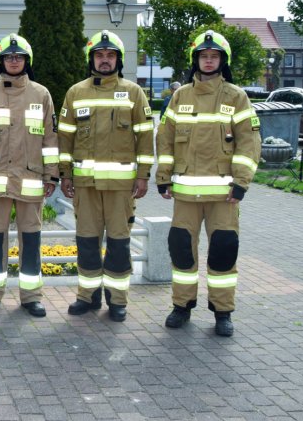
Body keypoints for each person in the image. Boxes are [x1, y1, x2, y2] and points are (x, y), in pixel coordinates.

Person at [156, 31, 261, 336]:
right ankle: (181, 306)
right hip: (186, 194)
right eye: (204, 56)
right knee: (181, 251)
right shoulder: (180, 96)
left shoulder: (236, 96)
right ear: (196, 60)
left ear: (222, 61)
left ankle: (223, 312)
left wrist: (241, 183)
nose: (209, 60)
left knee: (223, 251)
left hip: (223, 195)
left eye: (214, 56)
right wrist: (163, 177)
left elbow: (250, 142)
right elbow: (165, 139)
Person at [56, 31, 154, 322]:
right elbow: (65, 139)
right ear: (92, 59)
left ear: (118, 60)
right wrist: (65, 175)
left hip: (121, 187)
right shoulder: (75, 93)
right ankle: (87, 297)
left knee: (119, 244)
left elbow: (145, 138)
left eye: (110, 55)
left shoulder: (134, 92)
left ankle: (118, 300)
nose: (105, 60)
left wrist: (143, 176)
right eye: (100, 55)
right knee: (86, 242)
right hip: (85, 185)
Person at [0, 34, 59, 317]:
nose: (14, 61)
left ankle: (31, 297)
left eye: (18, 57)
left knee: (31, 239)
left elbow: (50, 140)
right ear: (0, 61)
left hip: (31, 181)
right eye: (8, 57)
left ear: (26, 61)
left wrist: (52, 175)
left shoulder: (41, 95)